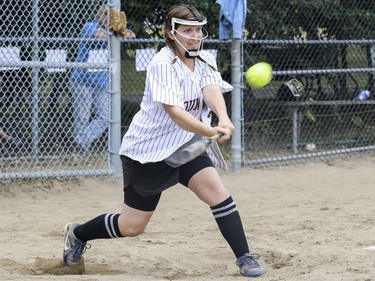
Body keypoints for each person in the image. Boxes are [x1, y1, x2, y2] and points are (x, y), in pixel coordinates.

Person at [63, 4, 266, 278]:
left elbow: (210, 89)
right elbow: (175, 113)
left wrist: (223, 117)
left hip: (186, 146)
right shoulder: (162, 64)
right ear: (172, 33)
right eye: (187, 30)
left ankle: (245, 257)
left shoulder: (204, 58)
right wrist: (210, 131)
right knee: (132, 226)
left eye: (198, 30)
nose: (195, 36)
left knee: (218, 195)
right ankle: (77, 234)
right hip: (148, 152)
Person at [70, 5, 136, 153]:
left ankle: (79, 141)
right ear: (98, 16)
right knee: (82, 117)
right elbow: (99, 35)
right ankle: (81, 153)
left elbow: (131, 35)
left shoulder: (116, 28)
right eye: (103, 14)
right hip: (82, 80)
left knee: (107, 116)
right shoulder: (89, 26)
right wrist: (116, 33)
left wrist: (117, 30)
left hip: (102, 82)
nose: (105, 17)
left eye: (109, 15)